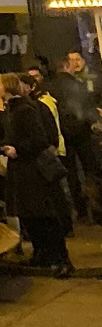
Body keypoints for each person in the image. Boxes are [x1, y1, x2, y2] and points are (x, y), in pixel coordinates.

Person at [0, 72, 72, 273]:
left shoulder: (25, 110)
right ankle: (43, 255)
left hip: (32, 171)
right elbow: (14, 137)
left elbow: (38, 139)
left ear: (8, 87)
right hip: (23, 171)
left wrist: (17, 150)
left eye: (0, 85)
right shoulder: (14, 110)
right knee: (31, 216)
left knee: (43, 216)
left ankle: (59, 258)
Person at [50, 50, 101, 220]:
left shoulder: (50, 87)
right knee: (90, 170)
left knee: (71, 174)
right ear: (66, 66)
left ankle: (80, 211)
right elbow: (88, 107)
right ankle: (96, 208)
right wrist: (94, 122)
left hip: (63, 135)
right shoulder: (78, 85)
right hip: (83, 133)